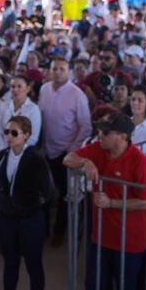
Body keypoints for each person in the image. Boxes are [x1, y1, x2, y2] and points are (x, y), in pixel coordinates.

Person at [63, 113, 146, 290]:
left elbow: (143, 202)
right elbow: (67, 159)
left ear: (122, 136)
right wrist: (85, 161)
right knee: (94, 288)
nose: (100, 135)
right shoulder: (98, 148)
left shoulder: (141, 162)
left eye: (106, 132)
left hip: (129, 242)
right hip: (100, 237)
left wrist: (111, 203)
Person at [0, 115, 53, 290]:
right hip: (7, 219)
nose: (9, 136)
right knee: (10, 264)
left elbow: (48, 189)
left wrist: (31, 205)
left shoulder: (36, 158)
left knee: (33, 265)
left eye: (14, 132)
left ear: (26, 135)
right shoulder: (3, 156)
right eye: (7, 132)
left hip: (30, 220)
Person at [38, 56, 91, 247]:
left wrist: (72, 149)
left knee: (63, 193)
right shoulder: (44, 89)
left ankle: (60, 231)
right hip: (46, 149)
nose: (58, 72)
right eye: (55, 69)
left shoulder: (77, 94)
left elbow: (85, 126)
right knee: (44, 190)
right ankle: (42, 229)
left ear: (68, 71)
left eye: (62, 69)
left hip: (66, 152)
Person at [0, 74, 41, 152]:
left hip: (23, 153)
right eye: (13, 86)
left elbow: (33, 137)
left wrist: (19, 153)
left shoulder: (34, 109)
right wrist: (2, 150)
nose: (15, 90)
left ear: (28, 89)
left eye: (19, 86)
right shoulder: (3, 105)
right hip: (3, 150)